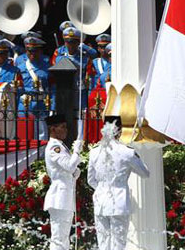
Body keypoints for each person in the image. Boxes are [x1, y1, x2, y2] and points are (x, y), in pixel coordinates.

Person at [87, 116, 150, 250]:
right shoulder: (127, 152)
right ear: (120, 131)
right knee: (118, 244)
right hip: (118, 201)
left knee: (103, 244)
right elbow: (145, 173)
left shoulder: (94, 152)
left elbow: (90, 179)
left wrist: (102, 189)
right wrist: (134, 155)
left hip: (100, 201)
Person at [44, 114, 84, 250]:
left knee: (63, 237)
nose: (66, 130)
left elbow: (70, 170)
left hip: (65, 196)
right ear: (53, 129)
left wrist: (74, 173)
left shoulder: (60, 146)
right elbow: (70, 166)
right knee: (59, 238)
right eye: (62, 127)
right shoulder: (55, 147)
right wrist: (77, 151)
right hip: (59, 197)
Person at [17, 36, 54, 140]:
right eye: (29, 51)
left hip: (42, 103)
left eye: (35, 51)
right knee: (26, 132)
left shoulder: (47, 67)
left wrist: (53, 103)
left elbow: (52, 87)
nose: (32, 53)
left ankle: (41, 155)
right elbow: (18, 88)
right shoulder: (20, 68)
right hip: (26, 104)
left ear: (40, 51)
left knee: (42, 133)